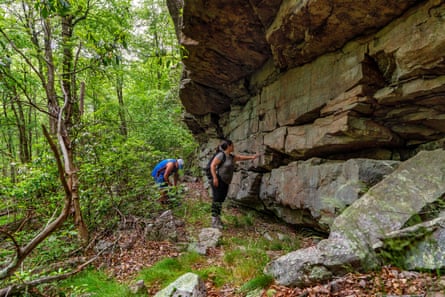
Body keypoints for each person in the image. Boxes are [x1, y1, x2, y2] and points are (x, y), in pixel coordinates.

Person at [209, 139, 259, 229]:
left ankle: (218, 219)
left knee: (221, 200)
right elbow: (212, 166)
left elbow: (240, 158)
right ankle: (214, 221)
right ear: (229, 146)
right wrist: (215, 178)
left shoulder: (231, 157)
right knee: (217, 200)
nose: (234, 146)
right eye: (232, 145)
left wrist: (252, 157)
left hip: (226, 182)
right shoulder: (221, 155)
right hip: (219, 180)